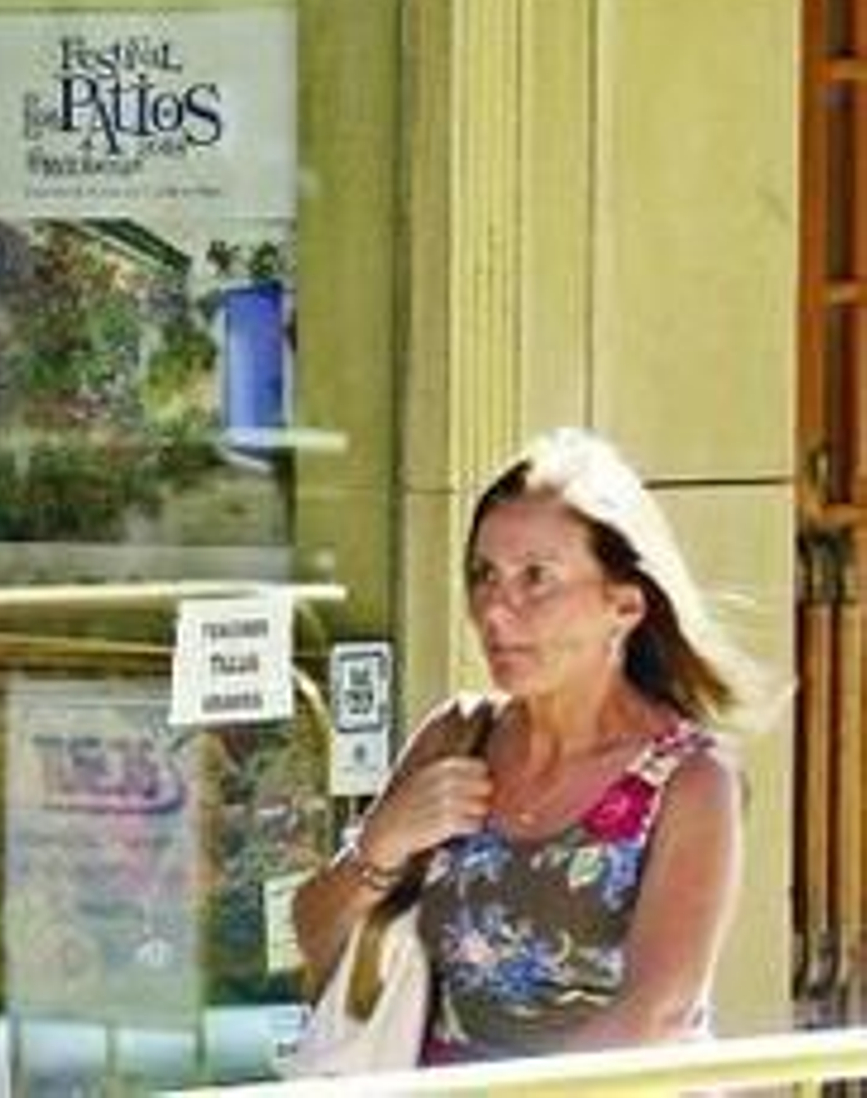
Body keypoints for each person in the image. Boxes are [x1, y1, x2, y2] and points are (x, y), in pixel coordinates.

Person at [292, 427, 759, 1065]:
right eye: (484, 575)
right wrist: (382, 842)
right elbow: (316, 940)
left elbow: (658, 1013)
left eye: (536, 578)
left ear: (624, 606)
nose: (494, 610)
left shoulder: (690, 779)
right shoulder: (459, 736)